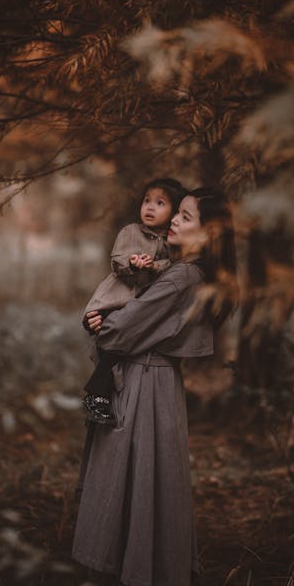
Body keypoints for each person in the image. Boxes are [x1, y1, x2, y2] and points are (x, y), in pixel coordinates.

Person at [72, 188, 237, 586]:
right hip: (160, 383)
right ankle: (137, 575)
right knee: (151, 477)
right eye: (176, 213)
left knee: (130, 473)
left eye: (185, 215)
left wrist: (104, 319)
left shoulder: (181, 276)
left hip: (145, 382)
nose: (175, 221)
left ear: (209, 232)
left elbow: (120, 331)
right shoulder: (188, 273)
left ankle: (129, 579)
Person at [82, 178, 186, 424]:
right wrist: (133, 263)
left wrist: (155, 266)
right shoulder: (130, 231)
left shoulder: (171, 243)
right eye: (147, 201)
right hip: (116, 298)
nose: (150, 207)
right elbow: (117, 260)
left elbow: (171, 267)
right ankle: (96, 397)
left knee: (116, 352)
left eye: (160, 203)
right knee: (109, 345)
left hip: (136, 307)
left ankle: (99, 398)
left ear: (173, 213)